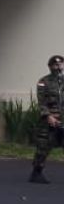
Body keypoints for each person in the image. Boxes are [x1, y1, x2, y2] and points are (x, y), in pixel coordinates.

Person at [30, 54, 64, 183]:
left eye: (60, 64)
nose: (58, 67)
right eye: (55, 65)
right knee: (44, 147)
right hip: (49, 120)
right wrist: (48, 116)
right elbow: (41, 102)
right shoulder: (44, 82)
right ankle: (36, 172)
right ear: (50, 66)